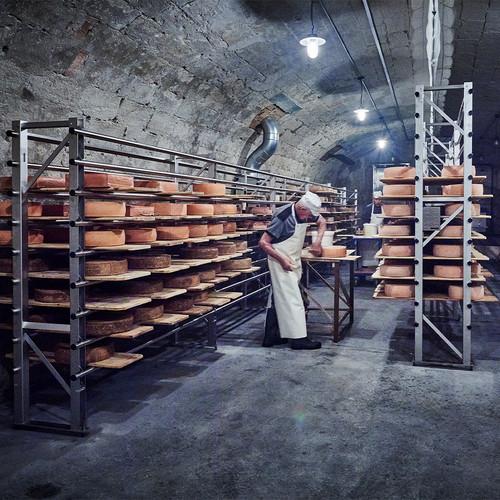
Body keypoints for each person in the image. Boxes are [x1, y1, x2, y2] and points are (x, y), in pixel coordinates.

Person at [259, 191, 327, 350]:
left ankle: (271, 336)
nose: (309, 218)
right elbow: (263, 243)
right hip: (279, 260)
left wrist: (317, 242)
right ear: (302, 208)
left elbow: (322, 221)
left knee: (278, 298)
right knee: (293, 299)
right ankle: (298, 339)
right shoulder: (283, 217)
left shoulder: (305, 212)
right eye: (308, 215)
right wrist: (282, 260)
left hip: (293, 259)